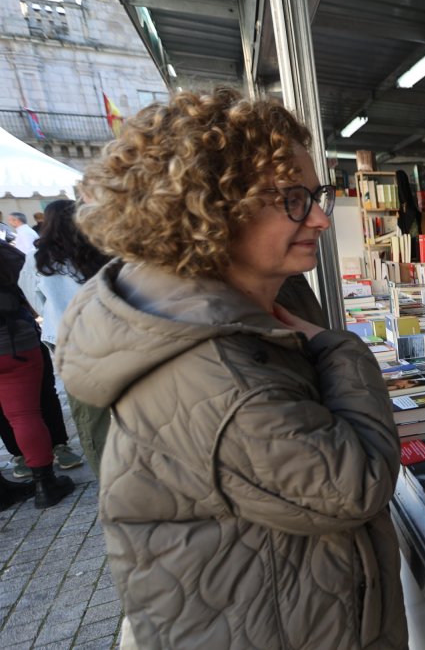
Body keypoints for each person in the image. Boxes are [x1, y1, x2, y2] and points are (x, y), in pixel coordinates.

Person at [58, 88, 406, 648]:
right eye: (293, 198)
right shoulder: (216, 370)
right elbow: (355, 483)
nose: (319, 218)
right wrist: (338, 348)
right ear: (213, 207)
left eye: (316, 195)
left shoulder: (250, 299)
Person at [14, 199, 105, 474]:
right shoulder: (99, 251)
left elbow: (34, 299)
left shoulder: (37, 258)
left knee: (90, 414)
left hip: (67, 337)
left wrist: (54, 314)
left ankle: (107, 476)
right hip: (106, 332)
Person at [0, 238, 76, 508]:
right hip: (11, 342)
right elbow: (24, 279)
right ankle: (45, 484)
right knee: (25, 415)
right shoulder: (5, 252)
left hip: (10, 340)